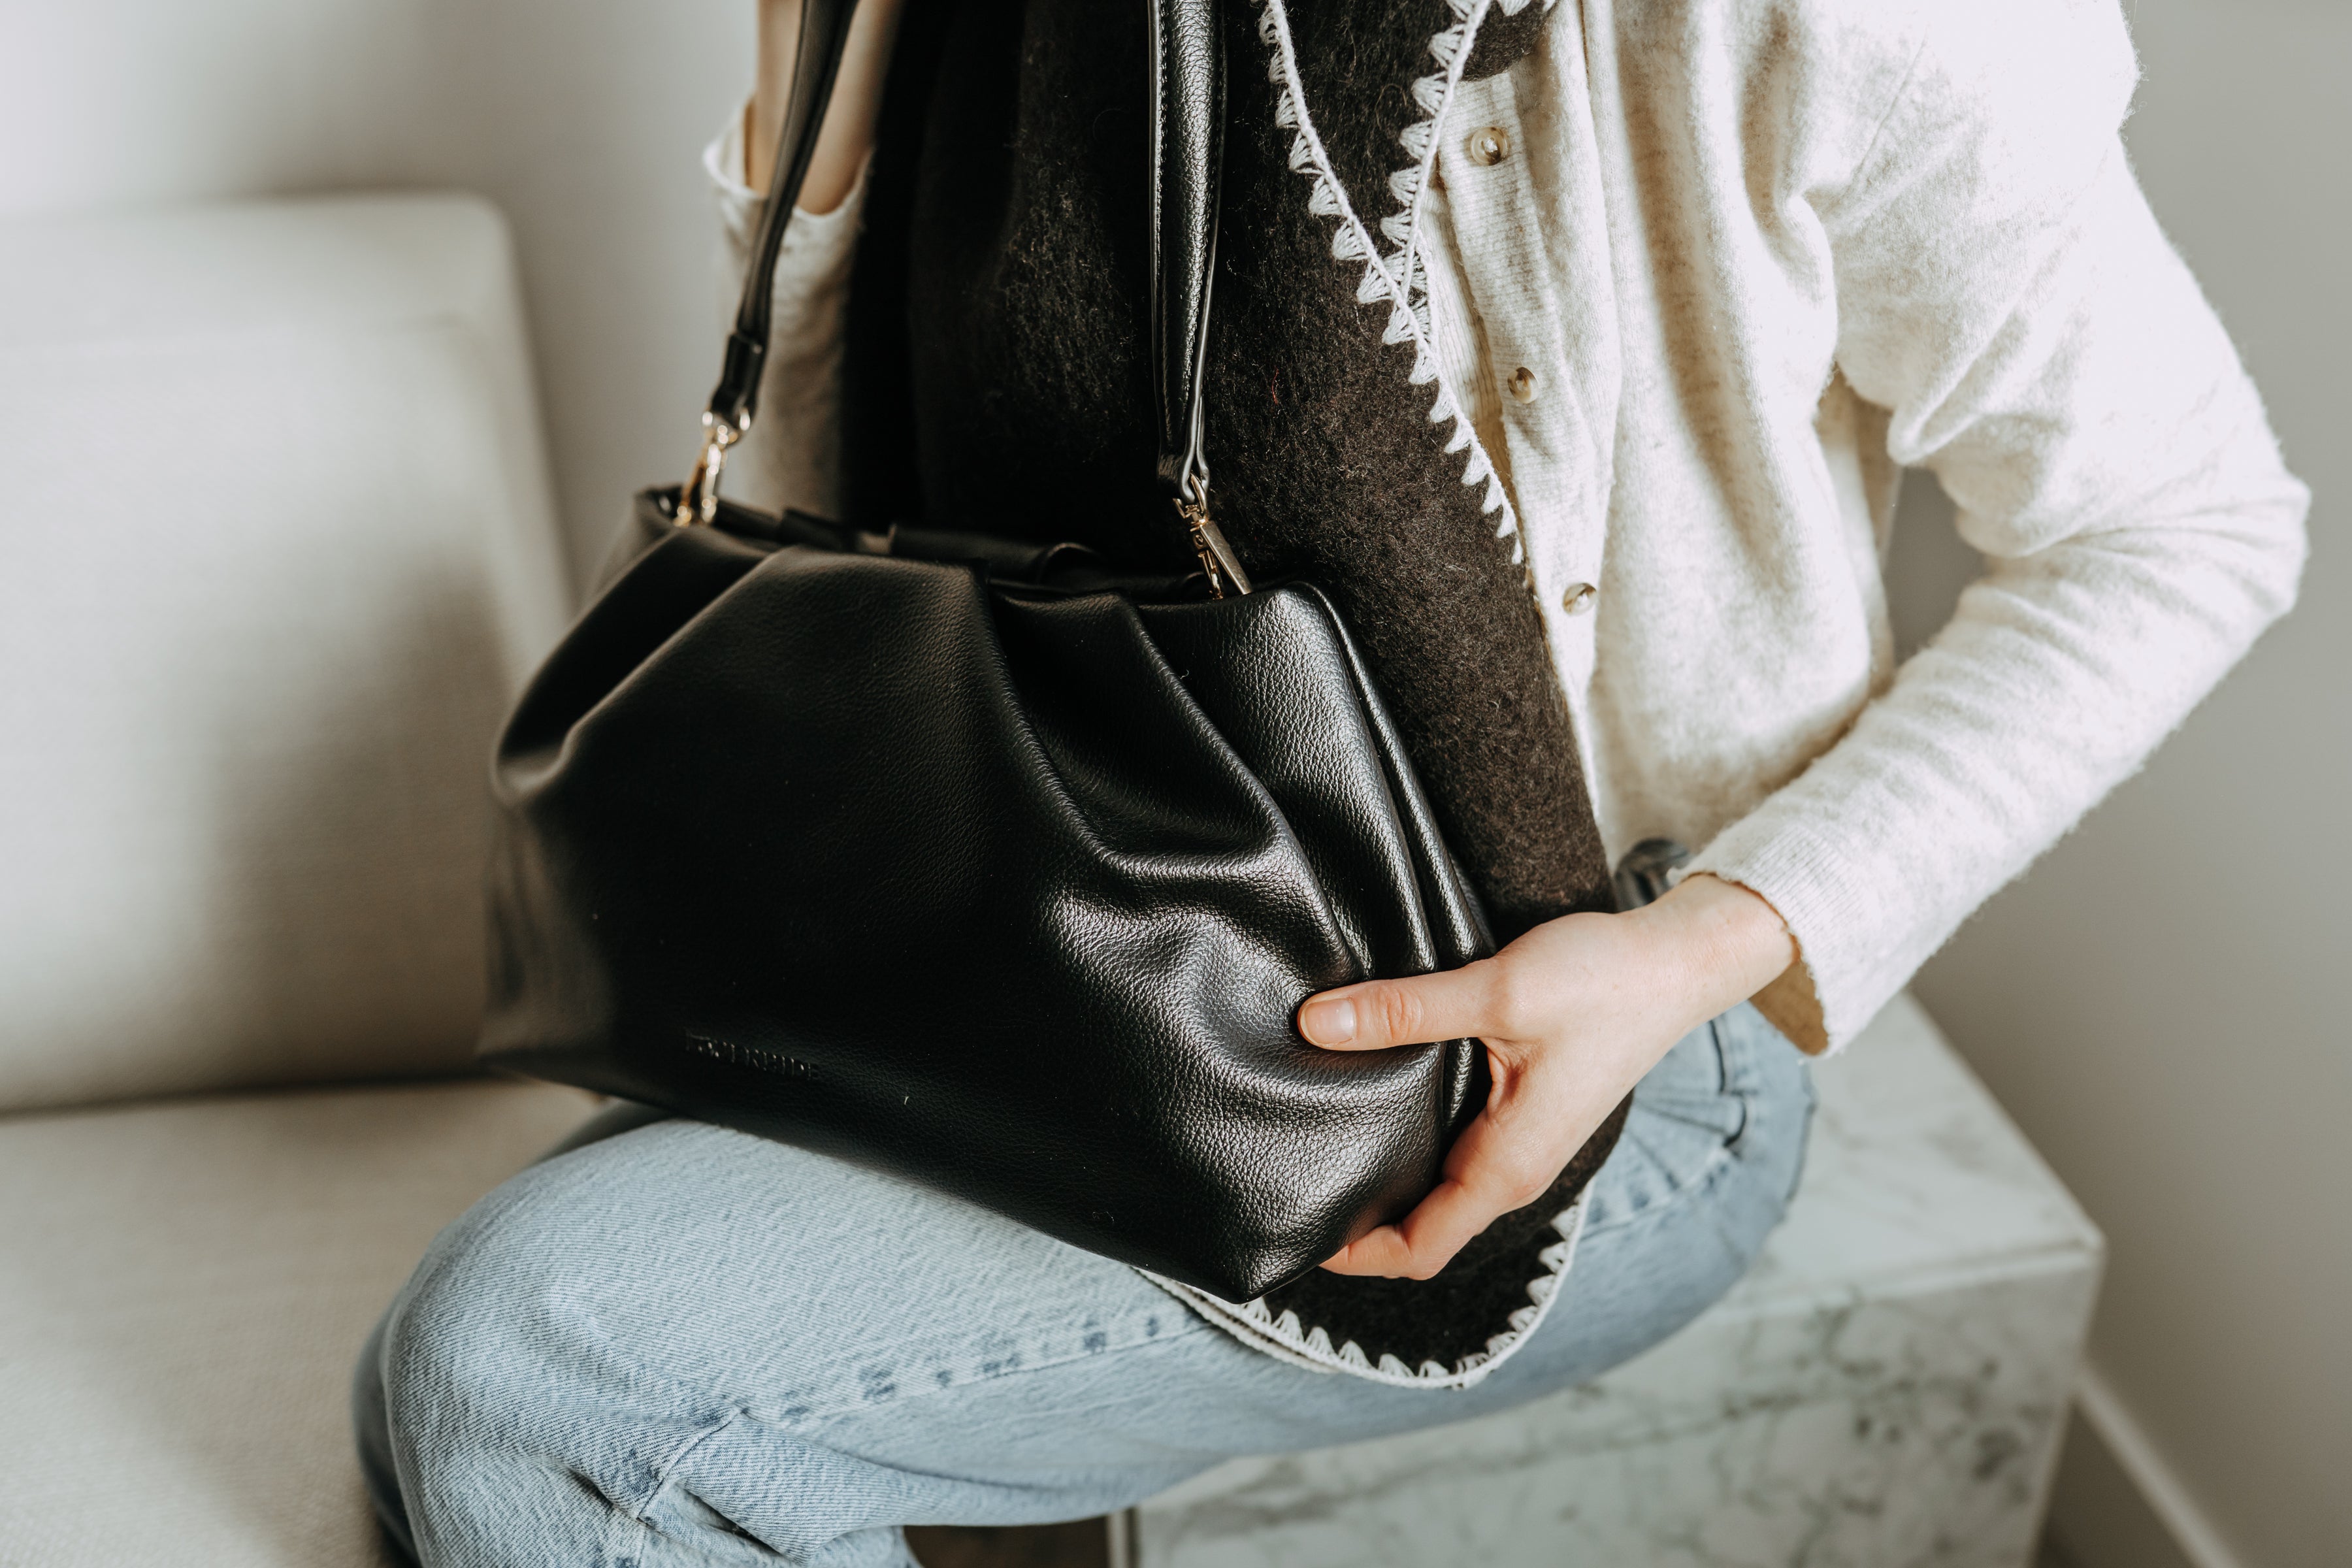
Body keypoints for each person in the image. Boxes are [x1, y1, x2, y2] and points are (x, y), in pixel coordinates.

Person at [354, 1, 2307, 1562]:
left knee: (536, 1365)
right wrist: (825, 78)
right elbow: (852, 544)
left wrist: (1697, 947)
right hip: (1060, 917)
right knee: (498, 1370)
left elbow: (2184, 529)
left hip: (1563, 1053)